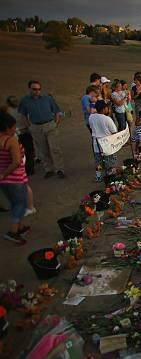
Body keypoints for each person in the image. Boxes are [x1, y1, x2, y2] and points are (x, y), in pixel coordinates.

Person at [18, 80, 65, 179]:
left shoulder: (47, 99)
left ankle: (59, 169)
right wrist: (29, 126)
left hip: (49, 125)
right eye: (34, 89)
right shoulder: (25, 100)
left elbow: (56, 111)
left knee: (54, 148)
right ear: (29, 89)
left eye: (39, 89)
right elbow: (23, 114)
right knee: (42, 149)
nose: (37, 91)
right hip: (36, 127)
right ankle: (49, 169)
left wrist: (56, 123)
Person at [0, 111, 30, 245]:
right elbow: (17, 161)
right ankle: (13, 232)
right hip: (15, 179)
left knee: (15, 203)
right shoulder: (10, 140)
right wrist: (5, 173)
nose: (15, 129)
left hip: (4, 181)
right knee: (20, 204)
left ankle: (20, 227)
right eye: (13, 126)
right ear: (6, 127)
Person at [5, 96, 34, 177]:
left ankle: (30, 169)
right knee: (18, 152)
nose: (15, 101)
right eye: (12, 100)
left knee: (28, 150)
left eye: (15, 100)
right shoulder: (8, 111)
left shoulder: (23, 108)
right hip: (15, 134)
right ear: (9, 102)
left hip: (25, 132)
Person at [88, 100, 118, 180]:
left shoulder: (91, 117)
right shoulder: (107, 119)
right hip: (107, 144)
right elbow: (114, 131)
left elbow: (91, 128)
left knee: (98, 161)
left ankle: (98, 176)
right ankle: (111, 176)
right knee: (110, 160)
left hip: (96, 143)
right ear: (104, 109)